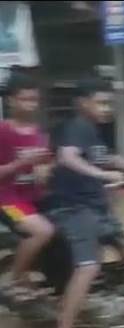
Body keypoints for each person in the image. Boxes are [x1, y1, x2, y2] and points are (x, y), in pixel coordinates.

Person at [49, 77, 124, 328]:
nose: (107, 108)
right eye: (101, 103)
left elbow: (111, 160)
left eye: (109, 104)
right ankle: (65, 322)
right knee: (89, 266)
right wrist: (102, 175)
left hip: (97, 206)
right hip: (74, 209)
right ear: (83, 103)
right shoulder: (76, 127)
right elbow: (67, 158)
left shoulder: (94, 131)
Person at [0, 72, 55, 304]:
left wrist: (46, 170)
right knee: (42, 231)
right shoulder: (2, 131)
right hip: (7, 201)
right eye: (25, 99)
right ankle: (13, 281)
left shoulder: (40, 134)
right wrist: (20, 164)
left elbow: (47, 166)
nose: (31, 105)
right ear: (10, 100)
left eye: (34, 100)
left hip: (35, 198)